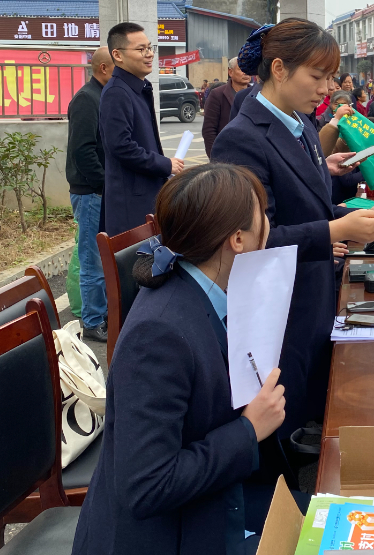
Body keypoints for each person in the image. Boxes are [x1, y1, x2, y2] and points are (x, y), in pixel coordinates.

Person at [69, 163, 288, 555]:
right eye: (264, 216)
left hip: (211, 507)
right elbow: (146, 485)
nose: (269, 227)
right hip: (169, 546)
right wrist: (248, 430)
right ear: (237, 240)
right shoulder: (159, 334)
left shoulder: (209, 290)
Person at [212, 19, 374, 440]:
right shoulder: (241, 139)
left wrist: (357, 216)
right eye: (317, 76)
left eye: (330, 77)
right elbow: (249, 242)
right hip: (278, 306)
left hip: (311, 288)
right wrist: (338, 229)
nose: (326, 88)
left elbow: (309, 205)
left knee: (311, 402)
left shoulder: (302, 127)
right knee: (282, 416)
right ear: (278, 69)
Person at [98, 23, 184, 235]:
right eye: (141, 49)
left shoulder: (136, 88)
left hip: (145, 198)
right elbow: (121, 147)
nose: (149, 54)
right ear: (117, 55)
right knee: (138, 266)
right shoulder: (117, 92)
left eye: (150, 47)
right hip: (131, 206)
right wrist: (165, 164)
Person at [66, 46, 113, 343]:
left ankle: (102, 312)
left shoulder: (103, 96)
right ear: (104, 68)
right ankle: (93, 320)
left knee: (100, 255)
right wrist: (102, 183)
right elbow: (82, 151)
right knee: (91, 257)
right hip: (90, 192)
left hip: (99, 190)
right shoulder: (86, 99)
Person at [203, 58, 252, 159]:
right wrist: (215, 158)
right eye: (242, 69)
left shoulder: (257, 94)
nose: (246, 73)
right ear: (230, 72)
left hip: (251, 154)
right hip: (227, 155)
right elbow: (209, 130)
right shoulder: (217, 94)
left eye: (249, 68)